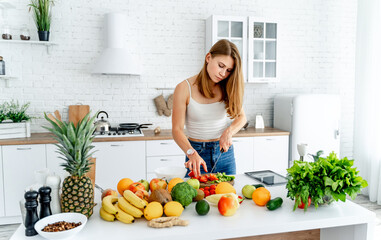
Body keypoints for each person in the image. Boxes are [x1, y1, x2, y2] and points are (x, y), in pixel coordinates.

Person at [172, 39, 247, 178]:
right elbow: (176, 130)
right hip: (196, 155)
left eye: (228, 70)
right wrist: (191, 153)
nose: (223, 73)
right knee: (196, 199)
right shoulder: (184, 88)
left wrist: (229, 132)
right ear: (208, 58)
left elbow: (242, 117)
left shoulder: (228, 87)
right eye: (220, 66)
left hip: (224, 155)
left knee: (228, 198)